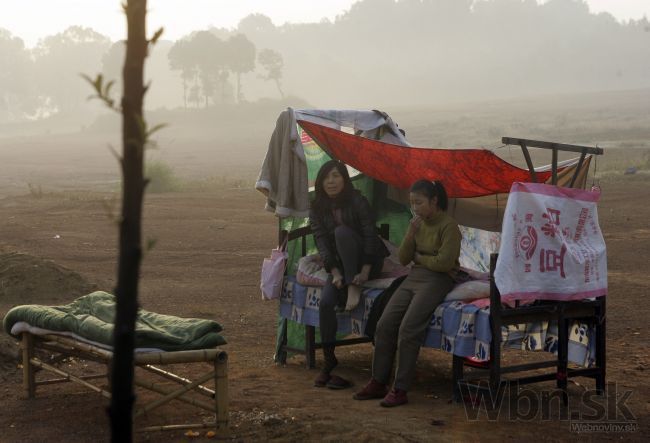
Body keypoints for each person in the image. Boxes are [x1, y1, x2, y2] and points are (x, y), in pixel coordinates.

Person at [353, 179, 461, 407]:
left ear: (434, 201)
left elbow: (444, 263)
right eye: (412, 203)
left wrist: (419, 258)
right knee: (384, 324)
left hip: (438, 280)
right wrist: (411, 233)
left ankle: (400, 388)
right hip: (414, 277)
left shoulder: (449, 226)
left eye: (419, 203)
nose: (415, 208)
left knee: (408, 328)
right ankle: (378, 381)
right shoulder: (418, 224)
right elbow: (403, 258)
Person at [309, 160, 389, 390]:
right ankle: (329, 358)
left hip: (367, 261)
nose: (331, 181)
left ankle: (353, 287)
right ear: (321, 182)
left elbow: (370, 235)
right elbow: (321, 242)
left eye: (336, 176)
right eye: (326, 177)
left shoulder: (358, 201)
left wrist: (363, 271)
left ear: (344, 179)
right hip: (340, 267)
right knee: (325, 303)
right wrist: (334, 273)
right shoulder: (317, 208)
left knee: (342, 232)